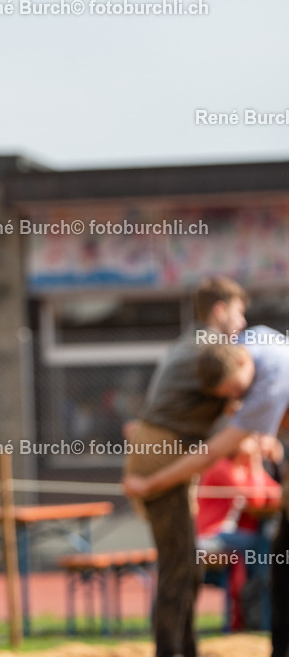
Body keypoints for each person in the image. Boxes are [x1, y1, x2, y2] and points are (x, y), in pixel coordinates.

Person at [125, 325, 289, 656]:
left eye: (237, 391)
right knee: (274, 564)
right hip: (213, 528)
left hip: (165, 464)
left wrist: (150, 483)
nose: (236, 399)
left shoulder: (270, 385)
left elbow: (210, 453)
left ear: (241, 362)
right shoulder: (252, 340)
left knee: (277, 567)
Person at [122, 276, 252, 657]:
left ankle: (185, 647)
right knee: (179, 563)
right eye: (239, 312)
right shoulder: (208, 351)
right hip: (161, 454)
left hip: (163, 449)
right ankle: (170, 650)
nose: (243, 322)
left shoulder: (191, 343)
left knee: (187, 563)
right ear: (220, 310)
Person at [195, 433, 281, 629]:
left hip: (229, 535)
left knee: (260, 544)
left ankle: (253, 605)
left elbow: (277, 494)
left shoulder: (244, 468)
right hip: (211, 536)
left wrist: (270, 463)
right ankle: (256, 601)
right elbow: (256, 501)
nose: (255, 443)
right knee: (259, 544)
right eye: (250, 439)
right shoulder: (222, 467)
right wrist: (257, 463)